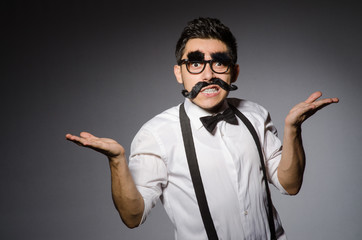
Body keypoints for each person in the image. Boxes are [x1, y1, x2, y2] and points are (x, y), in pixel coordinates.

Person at [66, 17, 339, 239]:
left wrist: (293, 130)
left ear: (234, 71)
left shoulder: (255, 114)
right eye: (195, 63)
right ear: (179, 73)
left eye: (218, 62)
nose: (208, 75)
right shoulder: (156, 134)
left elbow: (290, 186)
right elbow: (132, 217)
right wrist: (116, 162)